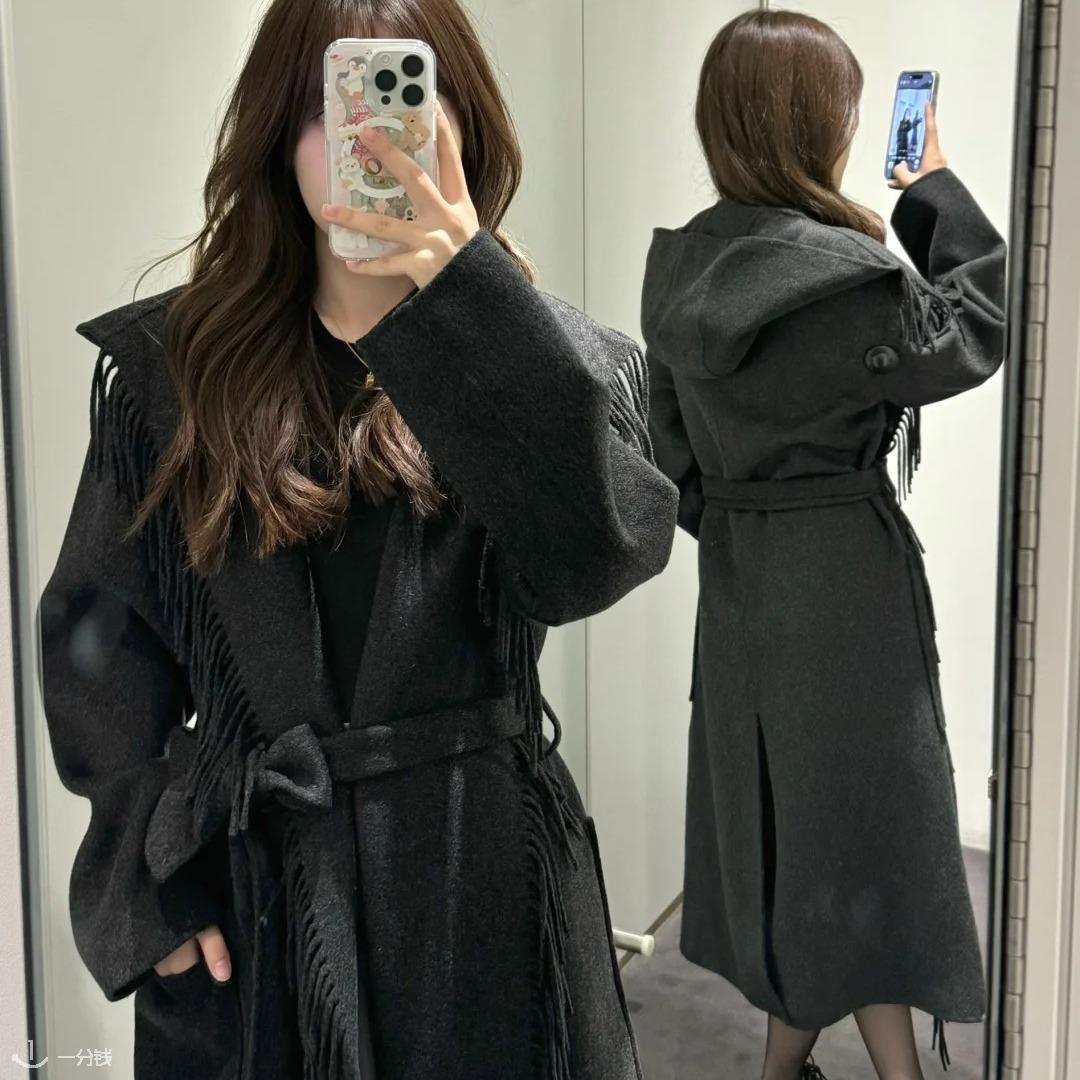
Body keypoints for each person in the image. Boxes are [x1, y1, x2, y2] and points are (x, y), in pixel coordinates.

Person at [36, 1, 679, 1078]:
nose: (364, 142)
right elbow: (96, 649)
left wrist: (470, 300)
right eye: (325, 110)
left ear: (460, 124)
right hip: (258, 903)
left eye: (401, 100)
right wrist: (145, 894)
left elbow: (595, 557)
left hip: (485, 893)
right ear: (274, 139)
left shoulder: (558, 365)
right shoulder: (182, 373)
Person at [641, 11, 1005, 1080]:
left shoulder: (678, 269)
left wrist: (744, 524)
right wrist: (930, 188)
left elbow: (670, 456)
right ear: (818, 125)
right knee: (872, 839)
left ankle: (792, 1066)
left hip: (740, 593)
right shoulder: (847, 277)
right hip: (849, 585)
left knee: (789, 840)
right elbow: (978, 326)